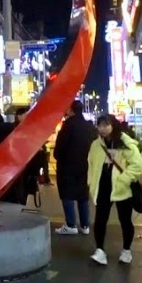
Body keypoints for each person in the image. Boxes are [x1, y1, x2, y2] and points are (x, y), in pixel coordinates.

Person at [87, 115, 142, 265]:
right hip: (103, 187)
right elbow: (91, 164)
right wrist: (90, 182)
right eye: (99, 125)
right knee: (100, 220)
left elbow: (138, 166)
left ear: (113, 125)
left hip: (122, 188)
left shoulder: (125, 143)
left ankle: (126, 251)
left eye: (106, 125)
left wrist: (124, 179)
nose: (102, 129)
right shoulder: (96, 145)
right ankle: (100, 250)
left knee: (125, 220)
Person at [54, 100, 98, 235]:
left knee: (67, 194)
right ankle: (85, 225)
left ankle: (71, 224)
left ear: (71, 110)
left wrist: (58, 157)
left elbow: (59, 148)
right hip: (85, 167)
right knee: (83, 196)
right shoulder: (89, 127)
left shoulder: (67, 126)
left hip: (68, 167)